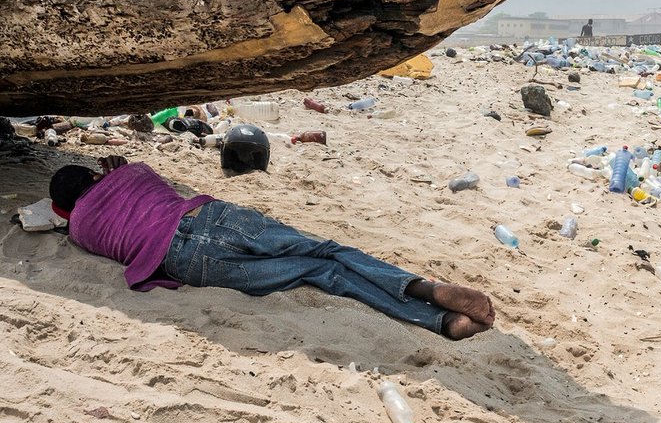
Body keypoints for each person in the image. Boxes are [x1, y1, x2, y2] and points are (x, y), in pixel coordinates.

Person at [48, 157, 494, 340]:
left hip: (184, 262)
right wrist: (112, 170)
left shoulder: (81, 231)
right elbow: (127, 172)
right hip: (205, 218)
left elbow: (84, 219)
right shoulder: (133, 173)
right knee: (328, 251)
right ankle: (421, 288)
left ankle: (440, 322)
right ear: (94, 177)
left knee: (322, 275)